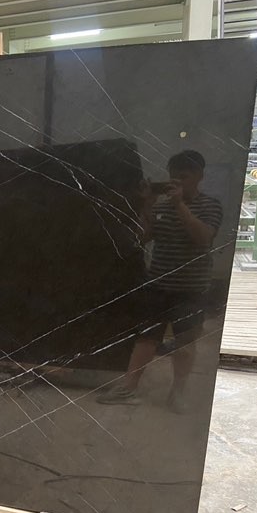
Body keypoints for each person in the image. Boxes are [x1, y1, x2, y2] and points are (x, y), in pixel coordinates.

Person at [99, 150, 222, 411]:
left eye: (183, 177)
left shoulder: (210, 205)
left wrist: (179, 206)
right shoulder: (161, 206)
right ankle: (128, 388)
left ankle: (178, 393)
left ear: (199, 176)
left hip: (191, 289)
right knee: (146, 338)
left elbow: (203, 238)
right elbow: (142, 238)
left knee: (185, 343)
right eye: (173, 177)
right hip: (157, 285)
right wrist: (147, 205)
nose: (177, 182)